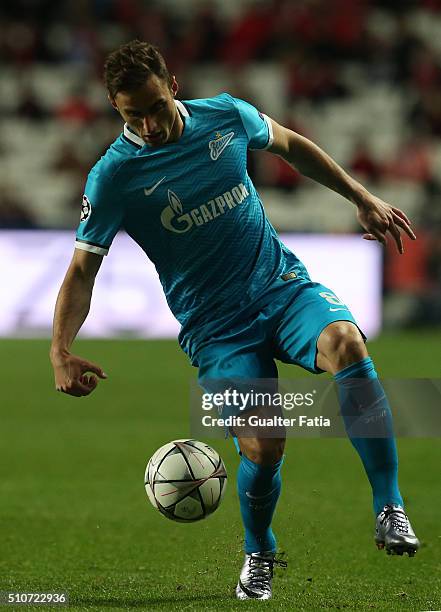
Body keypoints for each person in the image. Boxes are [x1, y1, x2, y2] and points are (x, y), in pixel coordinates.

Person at [50, 40, 420, 601]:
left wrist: (361, 197)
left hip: (282, 288)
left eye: (154, 106)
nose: (149, 125)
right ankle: (259, 551)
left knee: (346, 342)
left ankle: (389, 506)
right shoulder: (113, 178)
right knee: (264, 445)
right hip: (216, 329)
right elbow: (82, 268)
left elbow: (292, 145)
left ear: (172, 85)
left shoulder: (226, 113)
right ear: (114, 109)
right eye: (133, 115)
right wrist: (60, 348)